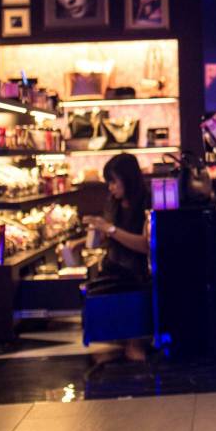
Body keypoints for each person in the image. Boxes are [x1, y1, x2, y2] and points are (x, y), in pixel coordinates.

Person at [83, 153, 152, 360]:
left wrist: (110, 229)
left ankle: (135, 342)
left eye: (114, 181)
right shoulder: (113, 203)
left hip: (138, 269)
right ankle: (124, 339)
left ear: (127, 179)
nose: (111, 187)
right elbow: (109, 237)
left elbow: (145, 245)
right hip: (115, 265)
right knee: (95, 287)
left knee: (127, 285)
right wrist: (86, 239)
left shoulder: (145, 203)